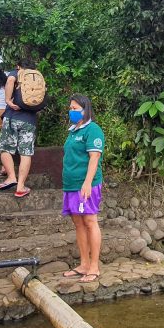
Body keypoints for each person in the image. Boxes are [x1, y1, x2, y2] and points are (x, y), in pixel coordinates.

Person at [59, 95, 105, 284]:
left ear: (85, 110)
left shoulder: (93, 130)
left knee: (90, 221)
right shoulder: (72, 131)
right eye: (70, 107)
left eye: (76, 108)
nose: (72, 111)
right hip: (70, 184)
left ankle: (94, 266)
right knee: (78, 224)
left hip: (86, 184)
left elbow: (94, 158)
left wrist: (87, 183)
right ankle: (84, 264)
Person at [0, 58, 39, 198]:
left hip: (12, 117)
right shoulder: (37, 76)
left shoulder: (17, 72)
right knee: (26, 153)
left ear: (18, 66)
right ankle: (20, 186)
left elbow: (9, 81)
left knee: (5, 148)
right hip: (30, 120)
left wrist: (8, 100)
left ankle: (11, 178)